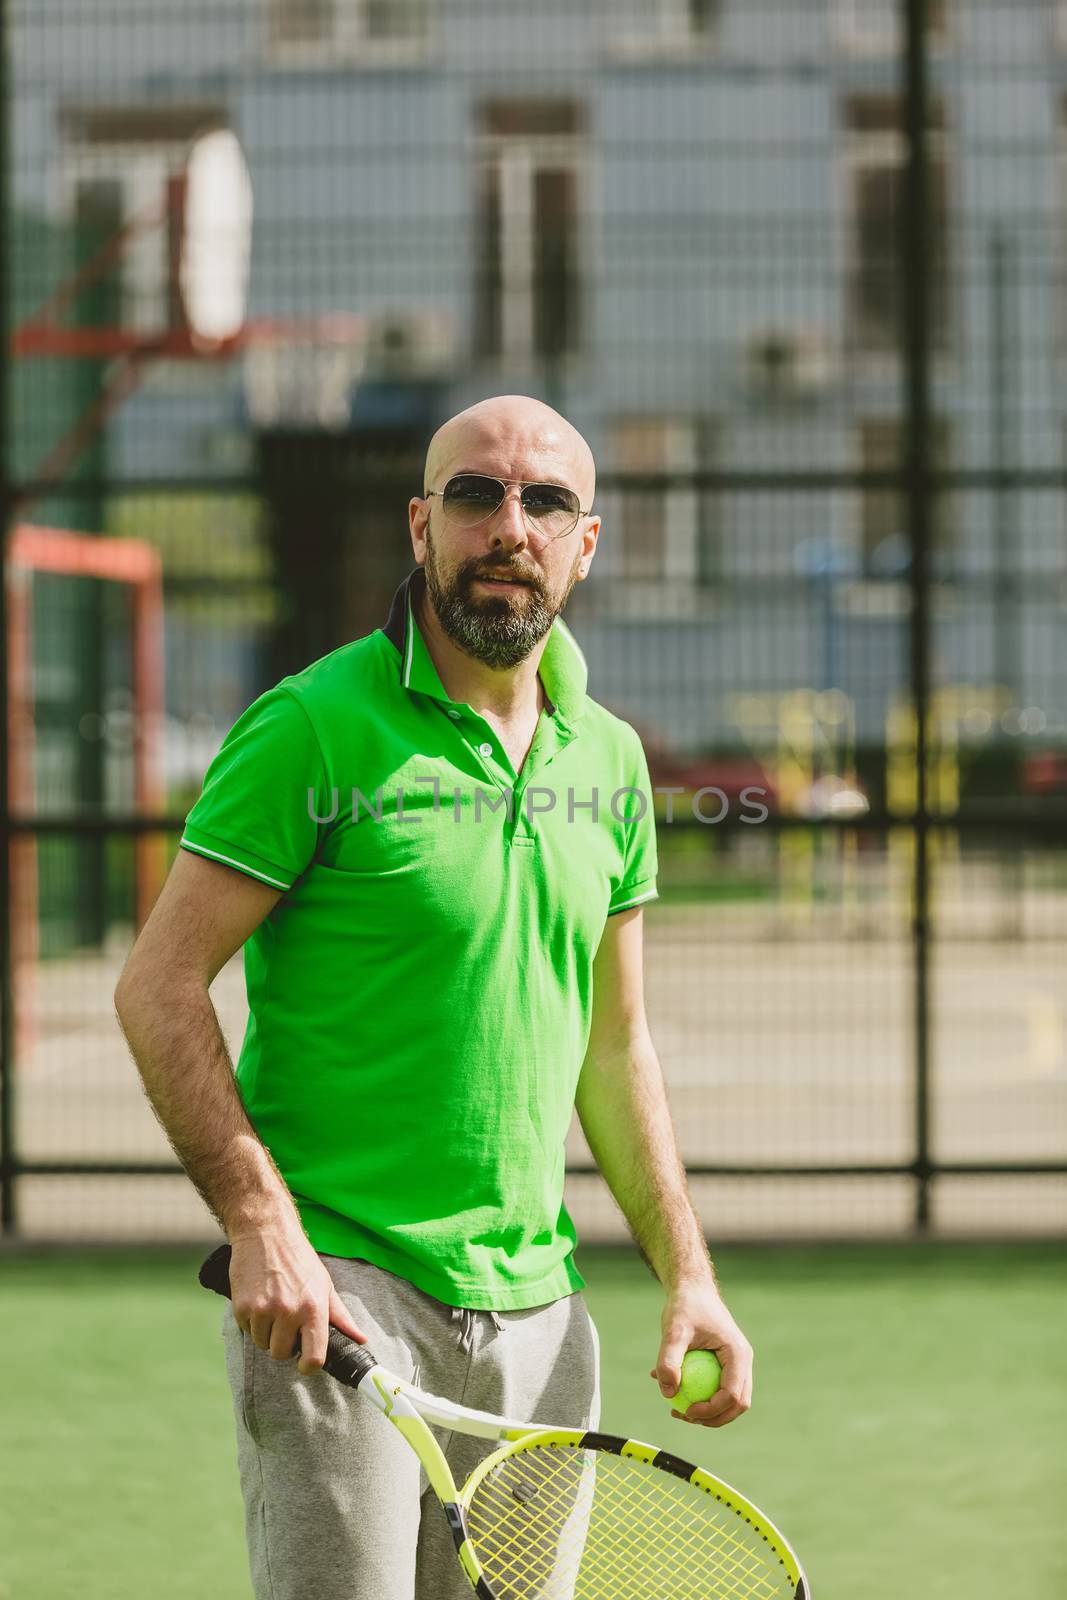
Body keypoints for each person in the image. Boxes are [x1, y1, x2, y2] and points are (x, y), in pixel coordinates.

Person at [115, 394, 753, 1600]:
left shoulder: (608, 760)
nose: (508, 525)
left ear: (585, 542)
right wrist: (262, 1225)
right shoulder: (311, 727)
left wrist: (689, 1276)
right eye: (475, 494)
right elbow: (157, 988)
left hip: (543, 1317)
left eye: (544, 501)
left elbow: (613, 1048)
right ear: (421, 524)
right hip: (340, 1307)